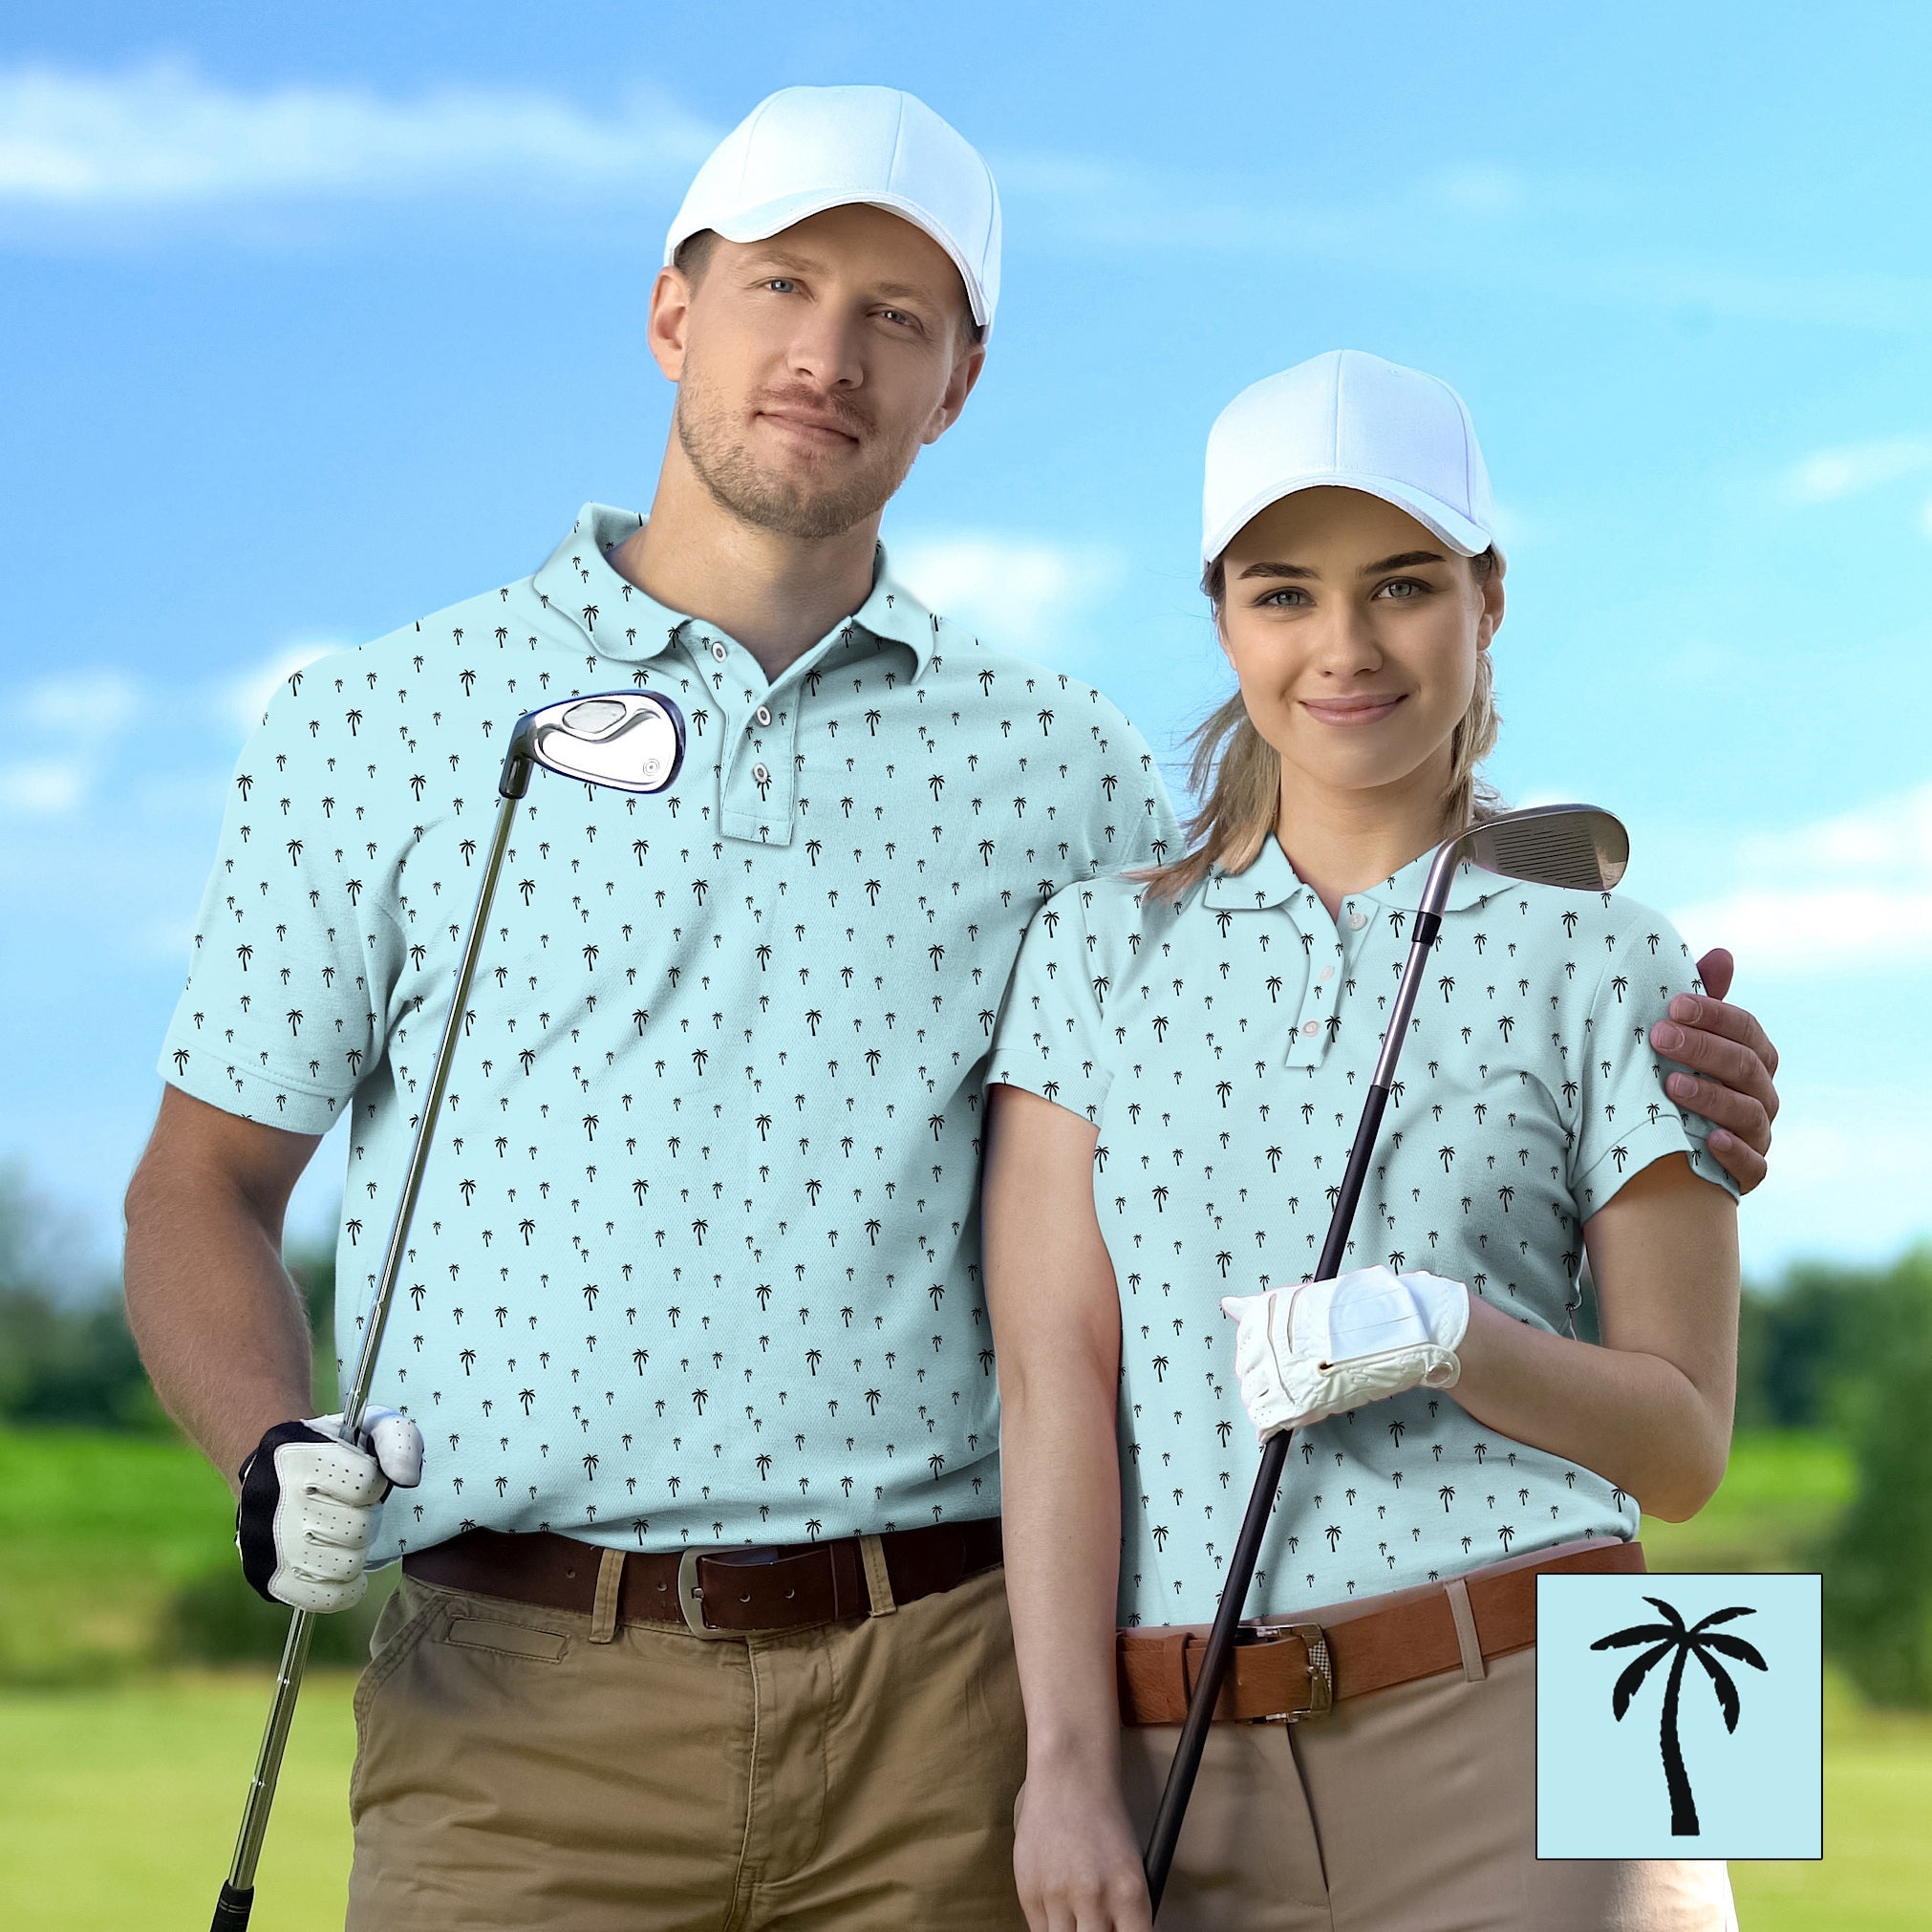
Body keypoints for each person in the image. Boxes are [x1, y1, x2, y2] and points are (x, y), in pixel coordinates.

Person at [119, 84, 1778, 1929]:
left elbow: (1327, 908)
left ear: (959, 379)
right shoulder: (373, 721)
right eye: (779, 287)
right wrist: (270, 1451)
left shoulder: (1060, 760)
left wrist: (1636, 1022)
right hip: (514, 1700)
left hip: (959, 1692)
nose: (826, 355)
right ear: (673, 310)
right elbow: (200, 1188)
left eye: (893, 316)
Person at [982, 351, 1752, 1930]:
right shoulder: (1088, 954)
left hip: (1575, 1692)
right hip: (1184, 1753)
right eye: (1283, 594)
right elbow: (1053, 1378)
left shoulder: (1615, 954)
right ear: (1220, 617)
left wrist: (1446, 1335)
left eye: (1400, 584)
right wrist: (1062, 1759)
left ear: (1485, 600)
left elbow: (1682, 1454)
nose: (1342, 646)